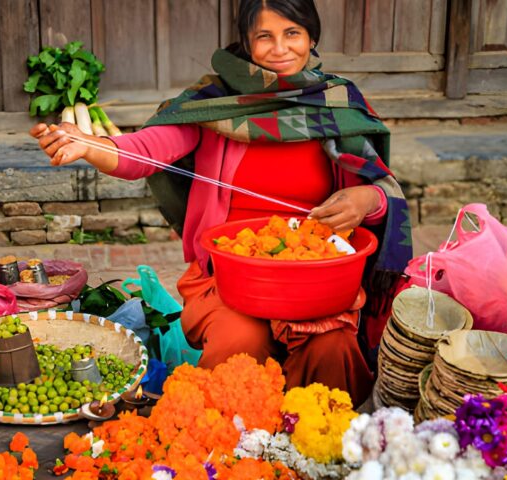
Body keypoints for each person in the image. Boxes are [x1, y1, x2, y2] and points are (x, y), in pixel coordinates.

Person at [31, 0, 412, 406]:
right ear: (246, 41)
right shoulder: (213, 102)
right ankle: (228, 436)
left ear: (311, 37)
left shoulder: (337, 104)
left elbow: (379, 189)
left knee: (331, 347)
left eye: (292, 34)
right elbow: (146, 151)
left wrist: (366, 199)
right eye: (264, 36)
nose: (279, 48)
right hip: (228, 277)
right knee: (240, 341)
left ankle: (318, 436)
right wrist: (91, 146)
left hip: (313, 279)